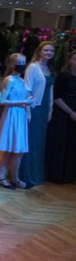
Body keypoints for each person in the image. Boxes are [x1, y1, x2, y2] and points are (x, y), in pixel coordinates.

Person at [0, 54, 33, 189]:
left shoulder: (22, 81)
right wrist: (22, 102)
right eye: (18, 62)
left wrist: (28, 108)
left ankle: (9, 177)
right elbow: (2, 101)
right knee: (10, 148)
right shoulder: (9, 80)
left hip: (20, 114)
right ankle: (2, 176)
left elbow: (26, 97)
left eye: (23, 62)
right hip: (12, 113)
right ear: (12, 64)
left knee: (16, 149)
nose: (21, 65)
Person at [19, 41, 55, 187]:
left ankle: (35, 174)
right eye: (46, 50)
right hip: (34, 107)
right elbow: (27, 88)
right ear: (39, 51)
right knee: (31, 141)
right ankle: (24, 175)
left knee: (39, 143)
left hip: (44, 108)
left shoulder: (50, 68)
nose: (49, 53)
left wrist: (50, 109)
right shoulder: (33, 67)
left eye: (51, 51)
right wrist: (28, 109)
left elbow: (51, 89)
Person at [46, 50, 76, 183]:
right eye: (75, 59)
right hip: (63, 112)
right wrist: (70, 112)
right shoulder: (63, 76)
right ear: (69, 61)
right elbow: (57, 97)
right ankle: (57, 175)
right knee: (61, 144)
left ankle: (70, 175)